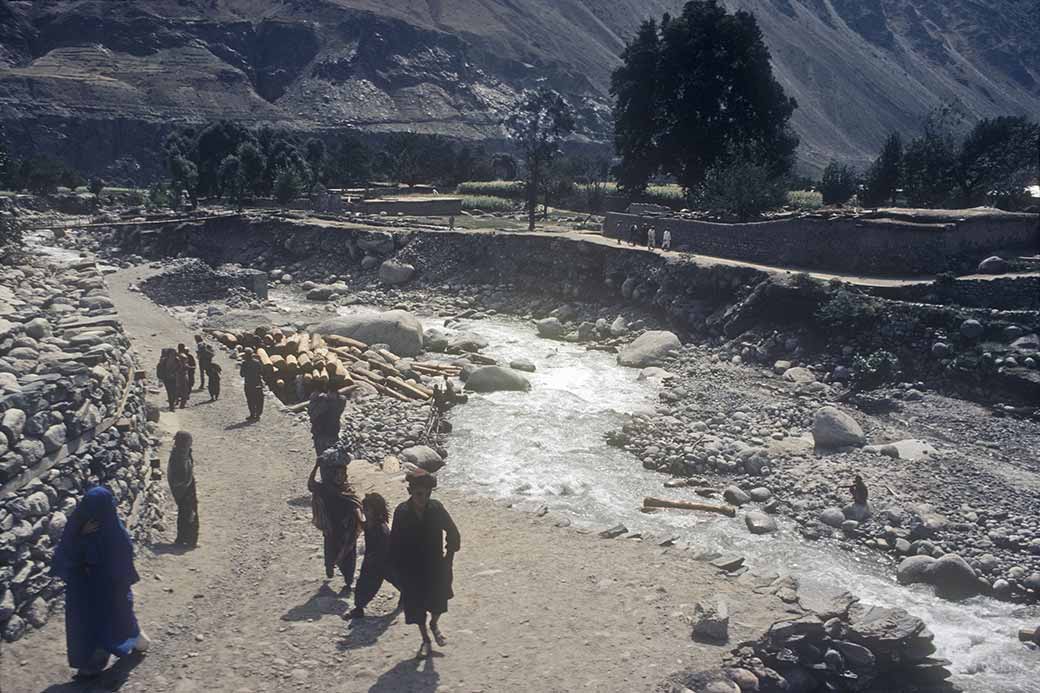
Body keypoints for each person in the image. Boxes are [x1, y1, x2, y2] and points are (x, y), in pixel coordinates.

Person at [51, 487, 151, 678]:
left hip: (109, 589)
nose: (89, 515)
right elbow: (66, 554)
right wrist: (81, 535)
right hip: (84, 591)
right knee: (88, 625)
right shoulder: (78, 526)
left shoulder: (114, 534)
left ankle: (134, 643)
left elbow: (121, 562)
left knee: (117, 617)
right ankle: (92, 664)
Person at [390, 469, 460, 658]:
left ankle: (434, 624)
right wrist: (399, 569)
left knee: (439, 601)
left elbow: (453, 533)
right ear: (410, 491)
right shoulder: (402, 512)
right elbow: (394, 542)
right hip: (412, 569)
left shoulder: (436, 508)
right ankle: (425, 638)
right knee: (416, 605)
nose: (424, 497)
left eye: (428, 493)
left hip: (436, 565)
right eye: (420, 493)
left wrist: (449, 557)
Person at [308, 449, 363, 594]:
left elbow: (356, 505)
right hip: (331, 528)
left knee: (349, 555)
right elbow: (310, 485)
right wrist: (316, 467)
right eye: (337, 474)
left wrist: (360, 520)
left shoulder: (348, 490)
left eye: (342, 474)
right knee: (331, 554)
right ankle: (330, 566)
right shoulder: (325, 489)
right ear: (332, 475)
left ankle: (348, 582)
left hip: (347, 529)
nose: (340, 477)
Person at [349, 492, 400, 619]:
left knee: (396, 581)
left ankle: (408, 596)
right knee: (363, 584)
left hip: (383, 562)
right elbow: (363, 523)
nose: (365, 511)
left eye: (367, 509)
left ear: (376, 511)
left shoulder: (381, 529)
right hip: (372, 561)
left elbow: (385, 548)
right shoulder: (370, 524)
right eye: (364, 508)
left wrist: (375, 561)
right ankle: (359, 608)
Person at [167, 431, 199, 547]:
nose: (191, 443)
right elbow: (180, 477)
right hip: (183, 490)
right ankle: (189, 540)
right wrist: (186, 489)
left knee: (186, 512)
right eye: (189, 441)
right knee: (189, 513)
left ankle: (183, 538)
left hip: (185, 488)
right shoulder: (179, 457)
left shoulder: (183, 453)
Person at [307, 381, 347, 455]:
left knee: (322, 454)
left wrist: (317, 399)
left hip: (323, 432)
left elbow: (312, 414)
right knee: (332, 452)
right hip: (331, 430)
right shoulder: (342, 400)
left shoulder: (323, 401)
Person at [240, 348, 264, 421]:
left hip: (248, 384)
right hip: (257, 383)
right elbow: (261, 372)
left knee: (250, 400)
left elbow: (242, 374)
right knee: (259, 399)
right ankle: (258, 414)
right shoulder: (257, 362)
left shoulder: (244, 363)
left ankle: (252, 414)